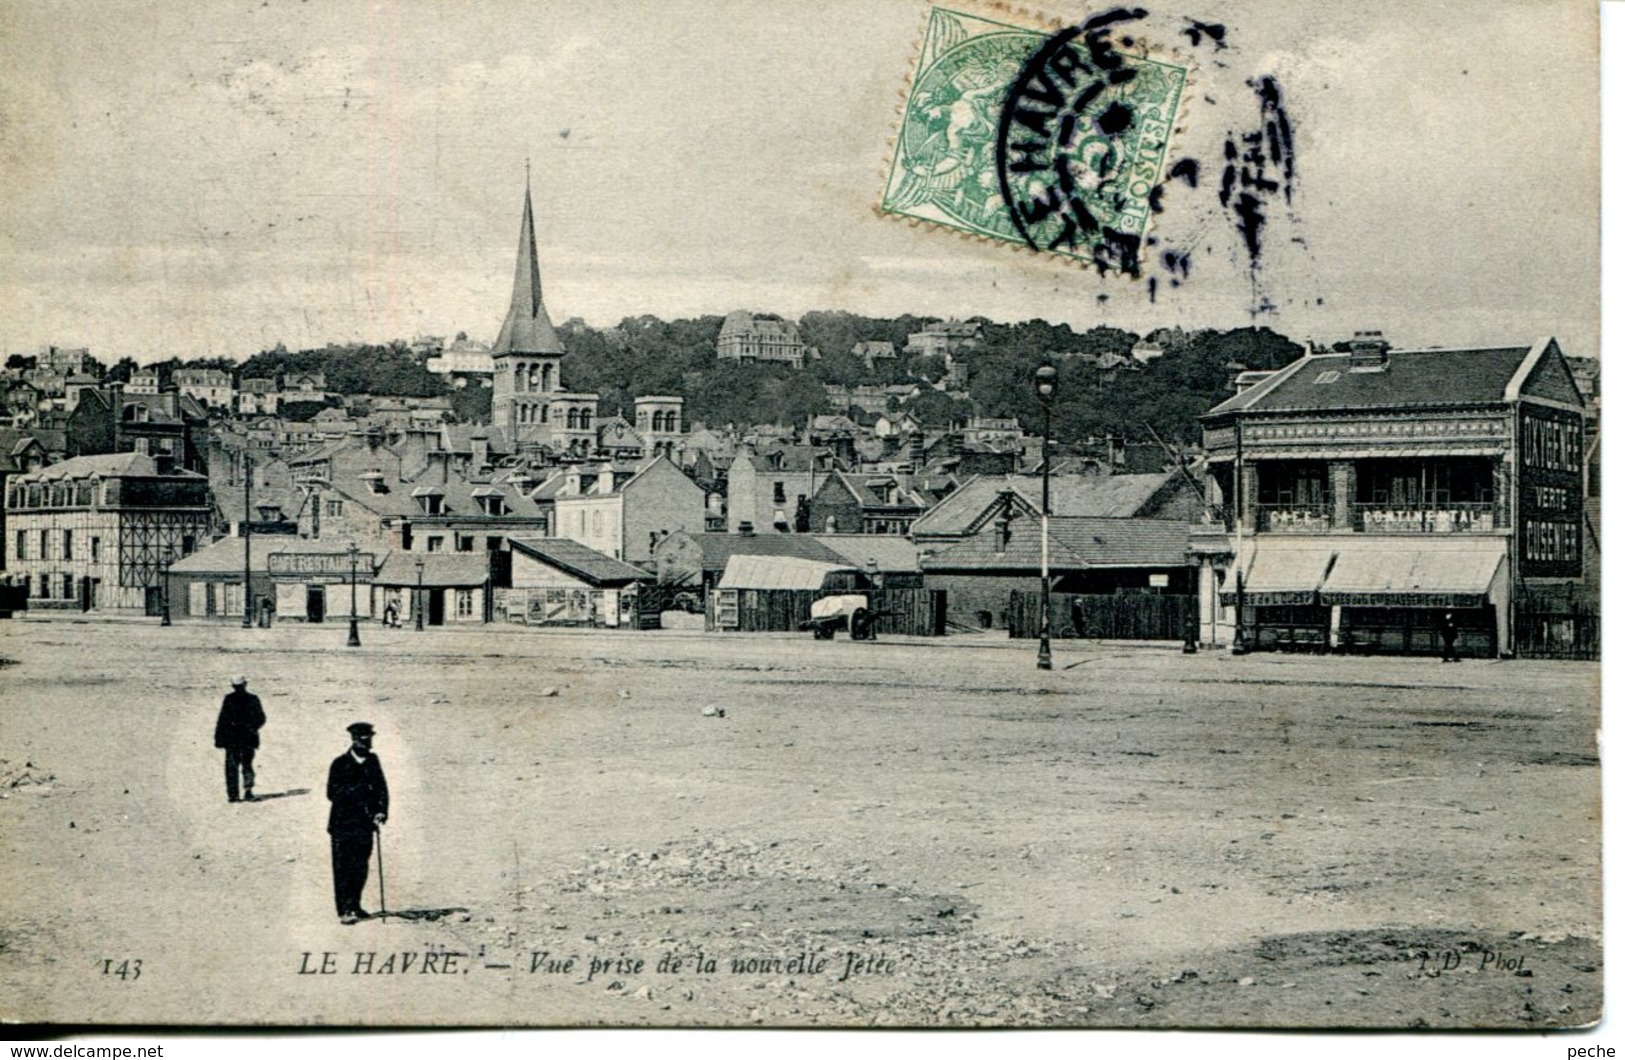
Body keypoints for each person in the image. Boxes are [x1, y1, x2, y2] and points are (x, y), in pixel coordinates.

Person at [327, 722, 389, 924]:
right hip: (343, 824)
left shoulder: (373, 760)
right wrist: (359, 792)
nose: (369, 742)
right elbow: (332, 793)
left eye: (370, 738)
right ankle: (344, 909)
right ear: (354, 740)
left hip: (365, 823)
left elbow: (381, 788)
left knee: (361, 866)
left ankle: (355, 904)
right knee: (343, 867)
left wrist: (381, 810)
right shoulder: (339, 763)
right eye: (364, 739)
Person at [214, 675, 265, 803]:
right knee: (247, 765)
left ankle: (233, 795)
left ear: (233, 686)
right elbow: (261, 718)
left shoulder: (229, 699)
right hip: (248, 738)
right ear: (245, 684)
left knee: (232, 767)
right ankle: (248, 792)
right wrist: (252, 728)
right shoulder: (253, 699)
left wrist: (219, 738)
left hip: (232, 739)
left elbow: (222, 720)